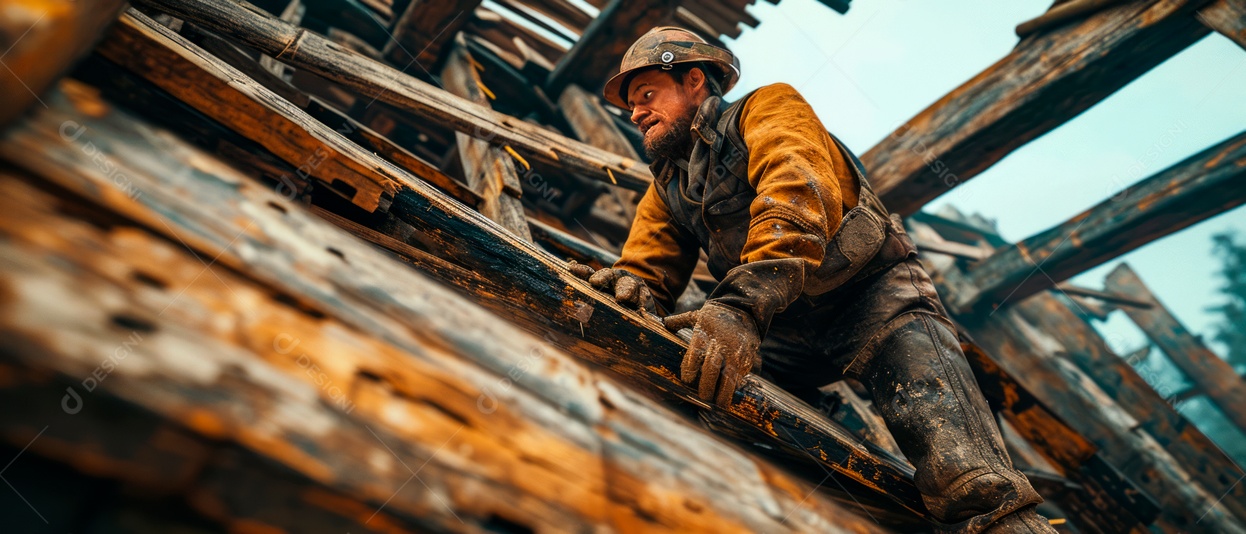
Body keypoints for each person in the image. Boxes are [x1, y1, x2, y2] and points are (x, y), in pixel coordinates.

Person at [568, 27, 1057, 533]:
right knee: (710, 409)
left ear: (694, 81)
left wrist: (739, 307)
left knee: (971, 482)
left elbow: (797, 194)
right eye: (631, 104)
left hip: (874, 301)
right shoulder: (669, 184)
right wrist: (630, 290)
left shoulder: (767, 107)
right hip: (783, 329)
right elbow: (647, 265)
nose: (636, 113)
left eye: (646, 95)